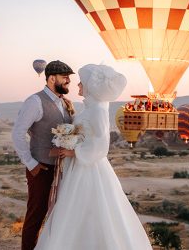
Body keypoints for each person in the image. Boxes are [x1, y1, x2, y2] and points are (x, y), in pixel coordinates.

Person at [35, 64, 153, 250]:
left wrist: (73, 151)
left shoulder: (97, 111)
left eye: (82, 83)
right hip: (80, 166)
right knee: (76, 209)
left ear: (91, 87)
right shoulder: (90, 109)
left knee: (87, 207)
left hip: (89, 168)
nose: (78, 86)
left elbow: (101, 146)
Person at [12, 60, 75, 250]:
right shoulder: (35, 101)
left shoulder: (65, 103)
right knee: (36, 215)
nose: (68, 81)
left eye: (69, 78)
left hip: (62, 169)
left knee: (59, 215)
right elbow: (17, 133)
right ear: (51, 78)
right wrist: (31, 164)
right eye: (65, 77)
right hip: (41, 168)